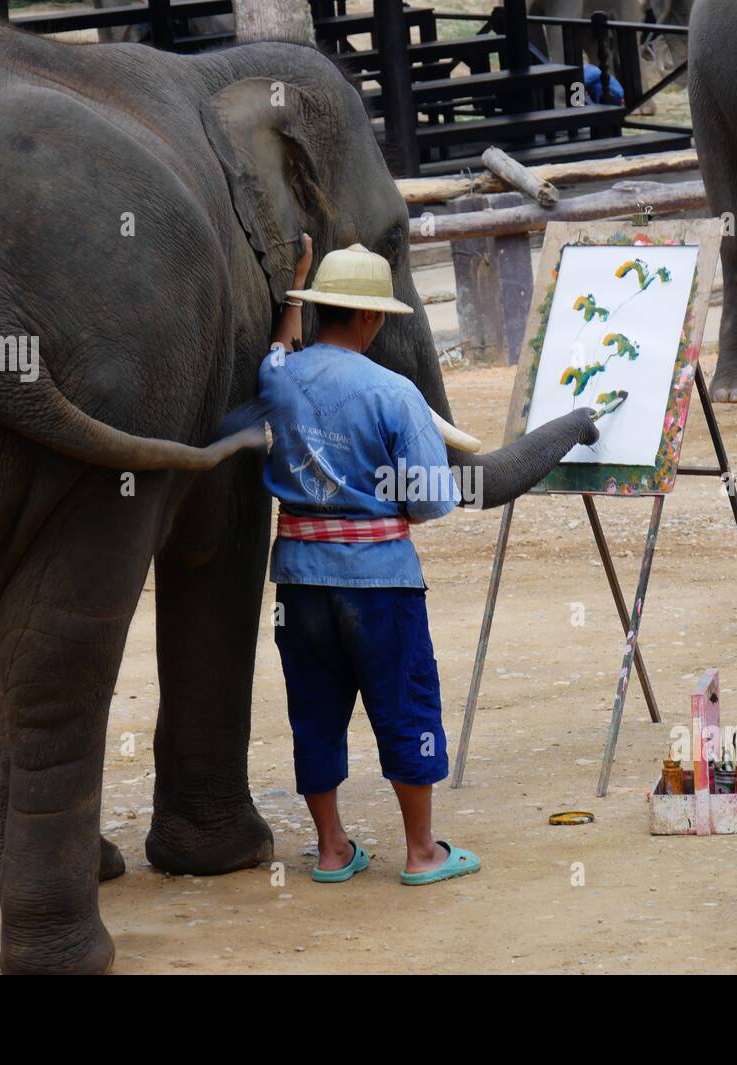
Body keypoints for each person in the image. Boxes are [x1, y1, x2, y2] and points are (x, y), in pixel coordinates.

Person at [259, 237, 481, 885]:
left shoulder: (279, 378)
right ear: (371, 316)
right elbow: (433, 501)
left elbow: (279, 349)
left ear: (321, 308)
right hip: (381, 582)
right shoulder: (395, 393)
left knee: (314, 707)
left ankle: (332, 850)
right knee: (406, 703)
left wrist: (294, 284)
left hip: (297, 583)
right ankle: (420, 852)